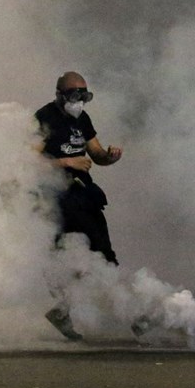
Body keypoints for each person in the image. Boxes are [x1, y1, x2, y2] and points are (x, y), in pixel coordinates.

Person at [35, 71, 123, 340]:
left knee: (102, 250)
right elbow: (26, 161)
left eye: (84, 95)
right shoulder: (43, 119)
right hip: (54, 198)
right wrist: (64, 163)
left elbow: (95, 154)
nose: (79, 100)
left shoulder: (82, 119)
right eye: (74, 95)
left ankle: (133, 309)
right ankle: (64, 310)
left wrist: (109, 156)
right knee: (62, 258)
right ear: (60, 94)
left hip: (83, 195)